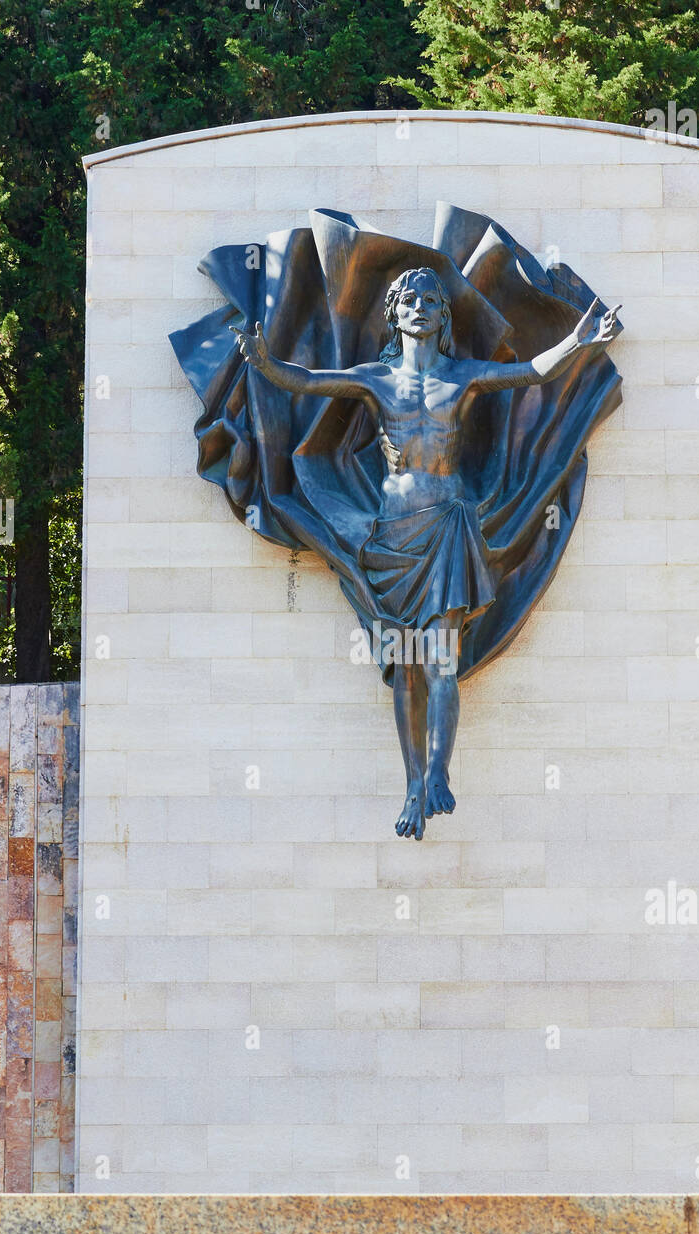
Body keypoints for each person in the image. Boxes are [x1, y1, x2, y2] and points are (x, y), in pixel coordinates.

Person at [235, 267, 620, 840]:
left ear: (443, 315)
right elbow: (310, 380)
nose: (419, 307)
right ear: (395, 313)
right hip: (393, 534)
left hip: (446, 524)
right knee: (404, 669)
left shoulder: (463, 377)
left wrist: (579, 342)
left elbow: (530, 371)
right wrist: (264, 362)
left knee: (440, 660)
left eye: (430, 300)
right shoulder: (376, 379)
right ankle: (412, 781)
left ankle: (437, 774)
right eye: (408, 299)